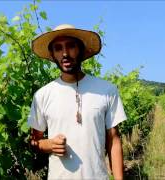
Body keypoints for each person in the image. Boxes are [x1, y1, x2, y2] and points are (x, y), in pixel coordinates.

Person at [28, 24, 127, 179]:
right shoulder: (42, 95)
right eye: (58, 48)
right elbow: (35, 141)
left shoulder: (107, 90)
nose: (65, 53)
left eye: (71, 46)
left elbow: (113, 140)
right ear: (53, 55)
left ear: (80, 49)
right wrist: (49, 144)